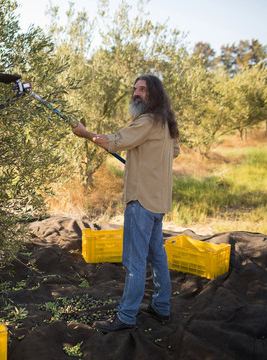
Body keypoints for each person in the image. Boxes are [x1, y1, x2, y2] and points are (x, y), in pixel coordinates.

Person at [71, 74, 180, 333]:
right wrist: (146, 158)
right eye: (135, 89)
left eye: (142, 89)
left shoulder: (148, 120)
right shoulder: (166, 122)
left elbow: (116, 141)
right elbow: (173, 152)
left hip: (142, 201)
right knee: (157, 257)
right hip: (158, 201)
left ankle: (126, 317)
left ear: (154, 93)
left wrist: (85, 134)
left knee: (134, 261)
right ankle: (161, 307)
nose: (137, 93)